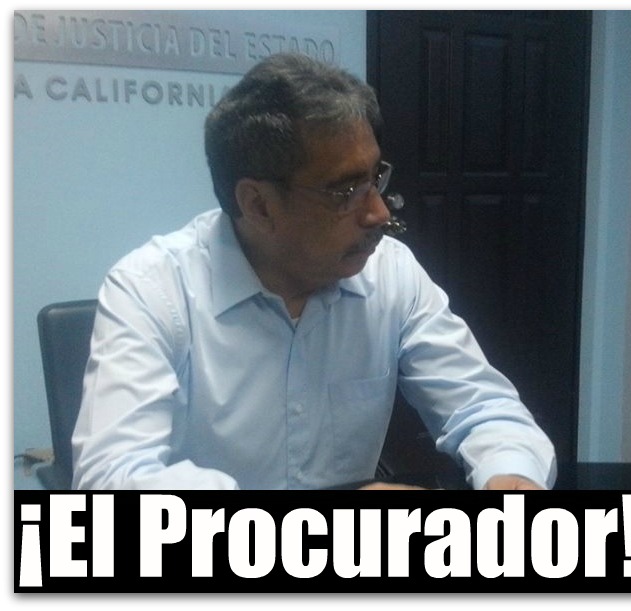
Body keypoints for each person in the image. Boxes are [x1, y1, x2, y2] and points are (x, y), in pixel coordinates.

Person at [72, 53, 556, 491]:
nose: (379, 213)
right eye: (344, 192)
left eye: (375, 178)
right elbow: (111, 474)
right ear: (258, 205)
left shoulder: (389, 272)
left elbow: (483, 408)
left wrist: (511, 474)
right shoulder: (152, 289)